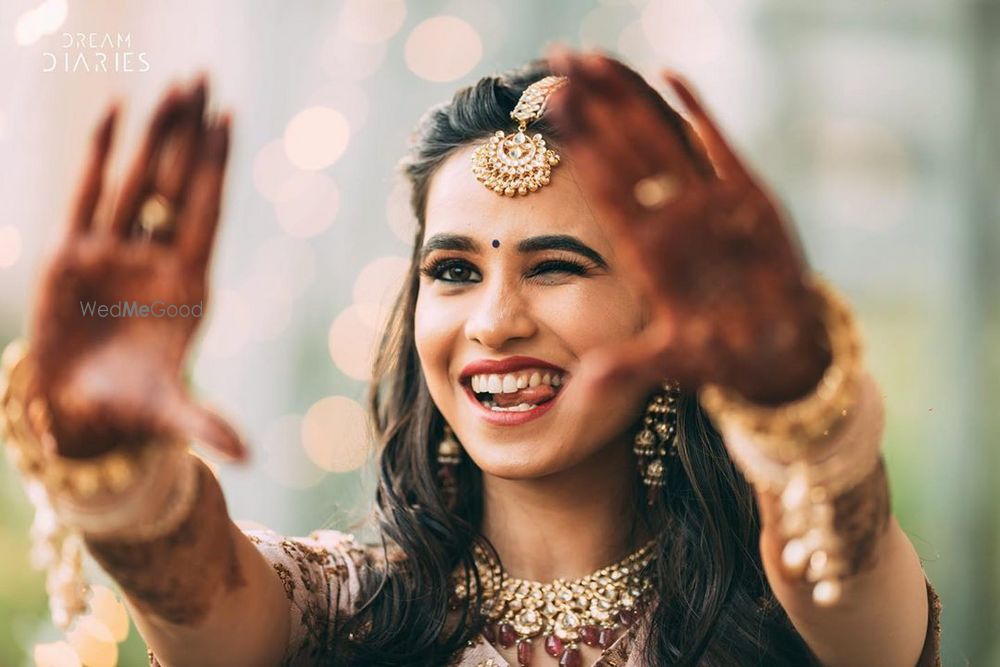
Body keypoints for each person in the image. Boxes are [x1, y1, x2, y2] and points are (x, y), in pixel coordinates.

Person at [0, 50, 941, 666]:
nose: (494, 321)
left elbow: (842, 570)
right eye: (453, 269)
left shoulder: (788, 617)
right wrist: (108, 462)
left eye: (557, 265)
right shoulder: (349, 612)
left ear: (670, 313)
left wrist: (797, 405)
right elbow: (200, 600)